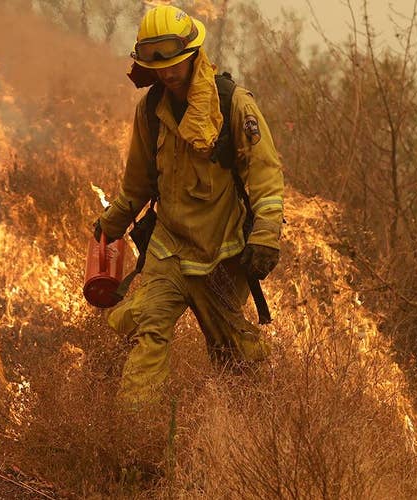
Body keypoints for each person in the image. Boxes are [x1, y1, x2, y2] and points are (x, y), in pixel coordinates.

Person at [94, 5, 284, 404]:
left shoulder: (233, 104)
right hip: (169, 250)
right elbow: (138, 182)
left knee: (236, 358)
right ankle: (136, 441)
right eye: (158, 65)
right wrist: (112, 223)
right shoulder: (150, 110)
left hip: (221, 256)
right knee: (148, 331)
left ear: (194, 53)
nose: (167, 72)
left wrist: (265, 237)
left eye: (175, 62)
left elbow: (265, 177)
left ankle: (252, 436)